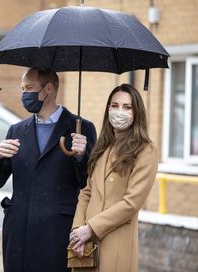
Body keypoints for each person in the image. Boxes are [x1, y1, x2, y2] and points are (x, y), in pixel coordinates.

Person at [0, 66, 97, 272]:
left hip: (57, 231)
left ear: (48, 89)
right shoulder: (17, 130)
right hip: (19, 233)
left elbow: (87, 182)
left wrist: (82, 156)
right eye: (22, 88)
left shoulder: (81, 128)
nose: (24, 94)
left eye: (29, 88)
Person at [69, 84, 159, 272]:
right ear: (108, 109)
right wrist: (77, 231)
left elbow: (131, 203)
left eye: (127, 107)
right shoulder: (103, 147)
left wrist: (91, 228)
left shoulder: (146, 151)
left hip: (116, 243)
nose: (119, 111)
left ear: (137, 113)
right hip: (85, 247)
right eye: (114, 105)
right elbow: (86, 193)